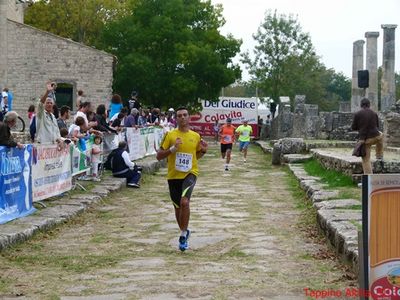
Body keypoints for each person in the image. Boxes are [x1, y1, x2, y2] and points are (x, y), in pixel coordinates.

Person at [156, 107, 208, 251]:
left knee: (184, 202)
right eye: (179, 116)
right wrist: (173, 149)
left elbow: (195, 157)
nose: (182, 118)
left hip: (190, 173)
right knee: (178, 207)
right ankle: (184, 231)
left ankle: (183, 234)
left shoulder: (196, 136)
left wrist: (203, 151)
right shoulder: (170, 135)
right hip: (173, 176)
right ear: (176, 118)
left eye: (185, 115)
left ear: (189, 117)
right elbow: (159, 156)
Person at [351, 98, 384, 174]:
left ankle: (369, 179)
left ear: (361, 105)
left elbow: (353, 127)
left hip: (365, 140)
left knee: (366, 160)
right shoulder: (374, 113)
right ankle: (379, 154)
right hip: (376, 137)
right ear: (369, 105)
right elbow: (377, 126)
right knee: (381, 135)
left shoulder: (357, 114)